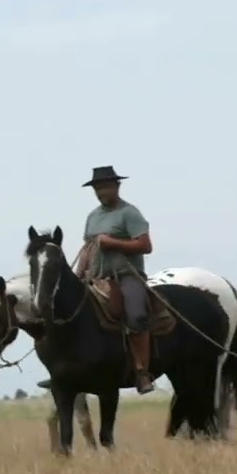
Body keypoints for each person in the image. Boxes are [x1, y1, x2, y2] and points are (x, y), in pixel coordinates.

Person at [77, 165, 155, 394]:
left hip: (127, 276)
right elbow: (88, 249)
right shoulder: (93, 216)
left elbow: (145, 245)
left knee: (136, 315)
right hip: (98, 277)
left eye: (105, 187)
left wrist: (114, 243)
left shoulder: (129, 213)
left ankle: (142, 372)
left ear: (117, 186)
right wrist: (80, 273)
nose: (101, 192)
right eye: (97, 188)